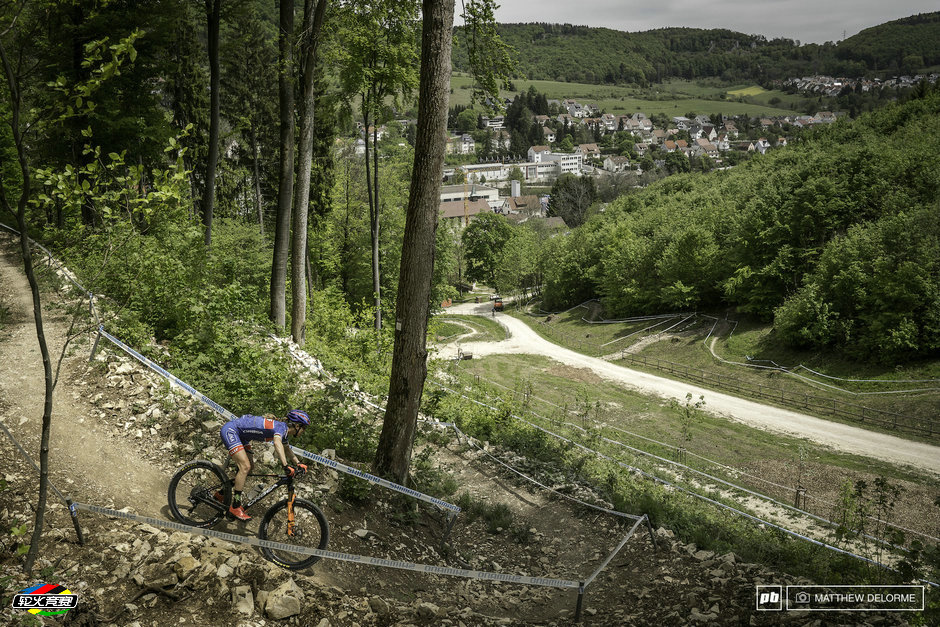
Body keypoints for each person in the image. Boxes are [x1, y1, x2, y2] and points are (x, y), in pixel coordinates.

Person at [219, 409, 309, 521]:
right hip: (231, 431)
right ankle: (236, 506)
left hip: (242, 437)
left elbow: (286, 448)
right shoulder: (281, 427)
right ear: (296, 425)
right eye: (304, 428)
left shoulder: (284, 432)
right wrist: (285, 465)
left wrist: (298, 463)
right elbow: (277, 443)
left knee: (250, 468)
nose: (304, 431)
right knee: (245, 467)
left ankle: (222, 492)